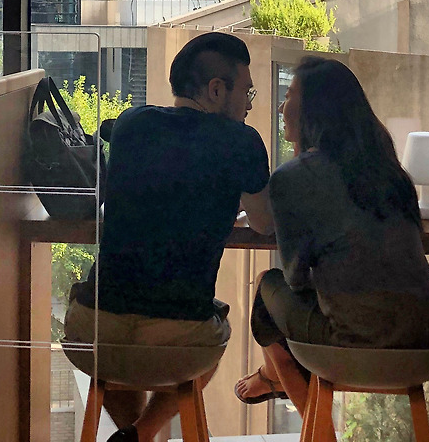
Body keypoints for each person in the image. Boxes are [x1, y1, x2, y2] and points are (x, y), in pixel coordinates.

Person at [64, 32, 274, 442]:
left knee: (119, 355)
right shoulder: (241, 141)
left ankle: (132, 436)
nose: (249, 105)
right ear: (216, 90)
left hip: (93, 331)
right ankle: (142, 434)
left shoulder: (130, 123)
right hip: (182, 340)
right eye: (246, 92)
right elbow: (265, 223)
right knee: (215, 327)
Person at [234, 57, 429, 412]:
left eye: (289, 96)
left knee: (266, 287)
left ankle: (286, 392)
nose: (282, 108)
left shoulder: (293, 177)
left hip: (359, 347)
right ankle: (271, 377)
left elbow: (295, 279)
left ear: (313, 110)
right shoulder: (390, 173)